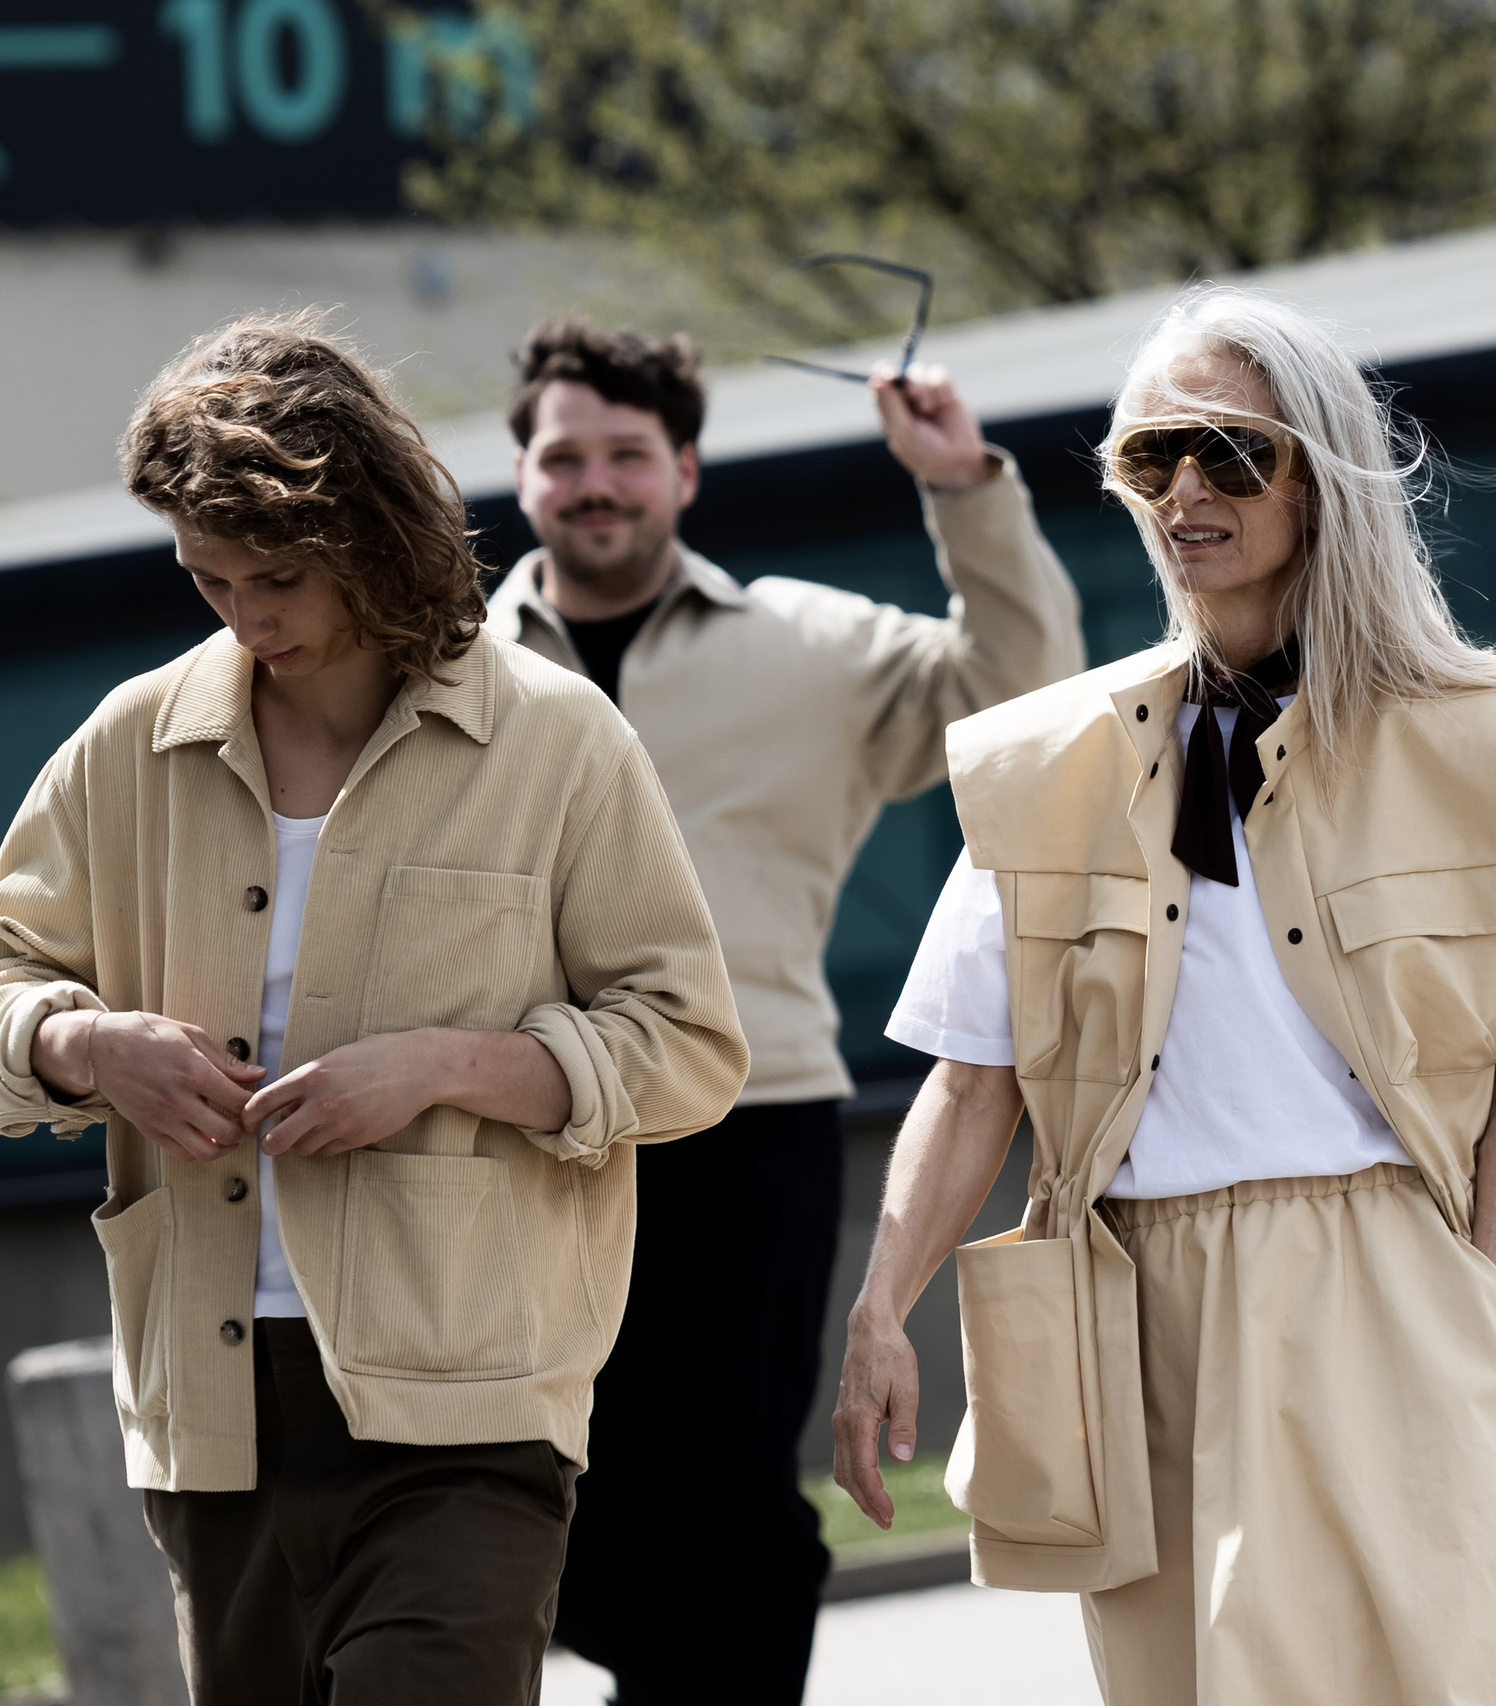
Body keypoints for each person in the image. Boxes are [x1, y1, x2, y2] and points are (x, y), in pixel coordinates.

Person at [832, 286, 1496, 1705]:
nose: (1187, 488)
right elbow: (973, 1076)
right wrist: (881, 1305)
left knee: (1479, 1671)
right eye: (1151, 455)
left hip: (1397, 1284)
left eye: (1233, 452)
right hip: (1145, 1311)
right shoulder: (1048, 768)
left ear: (1322, 473)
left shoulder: (1473, 746)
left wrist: (1481, 1299)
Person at [0, 315, 749, 1704]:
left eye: (278, 575)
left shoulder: (554, 738)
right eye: (207, 577)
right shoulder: (128, 745)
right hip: (211, 1406)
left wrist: (449, 1066)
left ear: (370, 533)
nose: (244, 616)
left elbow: (690, 1042)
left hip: (471, 1402)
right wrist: (83, 1042)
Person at [480, 320, 1085, 1703]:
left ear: (686, 470)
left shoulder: (809, 644)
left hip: (746, 1123)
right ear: (521, 476)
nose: (595, 483)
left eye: (628, 454)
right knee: (543, 1489)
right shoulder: (451, 663)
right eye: (563, 457)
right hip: (511, 1129)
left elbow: (1024, 697)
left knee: (732, 1494)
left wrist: (962, 485)